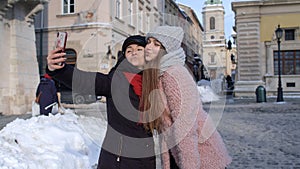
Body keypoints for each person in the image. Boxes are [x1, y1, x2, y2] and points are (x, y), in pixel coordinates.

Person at [46, 35, 155, 169]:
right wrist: (60, 69)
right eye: (129, 50)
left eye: (139, 49)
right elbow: (86, 80)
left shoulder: (152, 83)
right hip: (119, 159)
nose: (134, 52)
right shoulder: (115, 80)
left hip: (145, 157)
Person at [140, 26, 232, 169]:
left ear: (167, 50)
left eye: (156, 44)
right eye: (148, 42)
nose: (148, 47)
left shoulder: (175, 74)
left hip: (201, 156)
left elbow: (186, 127)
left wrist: (189, 165)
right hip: (180, 153)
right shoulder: (159, 74)